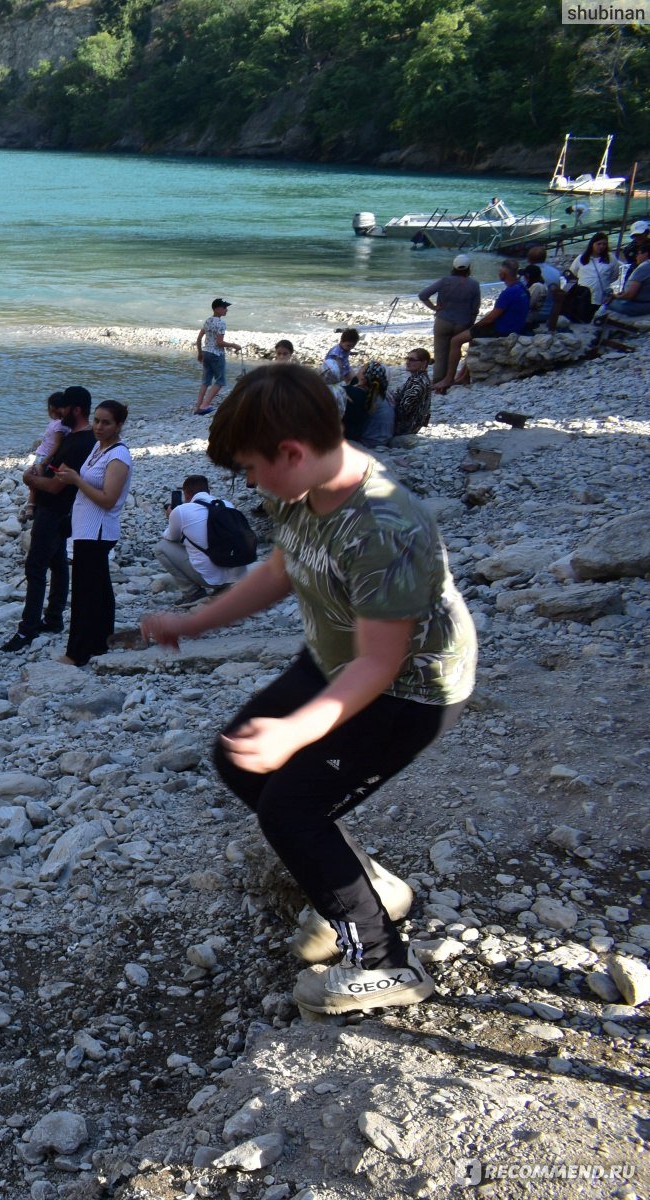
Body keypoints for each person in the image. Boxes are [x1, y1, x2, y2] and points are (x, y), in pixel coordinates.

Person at [140, 364, 476, 1016]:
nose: (249, 483)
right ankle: (365, 885)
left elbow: (380, 663)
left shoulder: (385, 527)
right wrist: (196, 621)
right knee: (238, 759)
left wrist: (297, 732)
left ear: (291, 453)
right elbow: (281, 567)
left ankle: (382, 961)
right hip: (333, 657)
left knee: (292, 809)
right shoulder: (296, 491)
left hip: (412, 688)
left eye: (252, 468)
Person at [6, 388, 96, 650]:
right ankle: (54, 618)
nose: (59, 414)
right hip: (65, 512)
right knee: (57, 564)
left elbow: (56, 486)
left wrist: (29, 479)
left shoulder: (79, 443)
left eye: (64, 409)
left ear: (76, 409)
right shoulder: (82, 438)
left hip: (54, 511)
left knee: (36, 568)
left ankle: (27, 629)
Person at [53, 398, 132, 667]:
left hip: (97, 530)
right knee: (98, 588)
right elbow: (90, 482)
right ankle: (100, 641)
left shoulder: (118, 456)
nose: (98, 426)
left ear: (119, 425)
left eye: (106, 422)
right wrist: (73, 476)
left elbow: (109, 499)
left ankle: (76, 652)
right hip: (86, 528)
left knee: (85, 593)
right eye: (96, 420)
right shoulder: (99, 448)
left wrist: (76, 480)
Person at [436, 259, 529, 393]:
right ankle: (464, 375)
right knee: (472, 340)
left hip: (501, 329)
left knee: (456, 340)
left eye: (499, 272)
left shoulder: (508, 293)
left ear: (503, 274)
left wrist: (475, 326)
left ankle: (448, 378)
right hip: (516, 327)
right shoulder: (522, 287)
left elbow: (492, 317)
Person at [156, 475, 248, 604]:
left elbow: (170, 538)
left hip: (209, 579)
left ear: (186, 495)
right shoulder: (228, 505)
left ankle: (193, 593)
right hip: (236, 576)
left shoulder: (181, 511)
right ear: (209, 491)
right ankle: (225, 589)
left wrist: (171, 516)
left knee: (161, 547)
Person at [416, 255, 481, 384]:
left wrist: (434, 308)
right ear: (469, 268)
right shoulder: (474, 284)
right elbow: (475, 308)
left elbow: (423, 295)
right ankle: (450, 378)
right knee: (455, 351)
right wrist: (470, 323)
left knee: (440, 354)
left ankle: (438, 381)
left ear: (454, 267)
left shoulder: (445, 281)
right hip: (462, 323)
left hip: (443, 321)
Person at [194, 298, 240, 415]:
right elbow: (219, 343)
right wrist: (233, 345)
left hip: (206, 352)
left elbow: (199, 338)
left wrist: (199, 353)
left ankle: (198, 406)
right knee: (220, 380)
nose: (226, 310)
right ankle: (205, 405)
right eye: (224, 308)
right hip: (216, 354)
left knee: (206, 381)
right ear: (217, 309)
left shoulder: (208, 321)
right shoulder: (221, 323)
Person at [567, 233, 617, 323]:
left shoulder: (611, 259)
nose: (601, 246)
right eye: (599, 244)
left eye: (604, 244)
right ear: (592, 244)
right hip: (583, 296)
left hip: (601, 296)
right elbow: (572, 273)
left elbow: (614, 275)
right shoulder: (581, 258)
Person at [600, 242, 650, 319]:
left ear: (646, 254)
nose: (636, 256)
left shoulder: (643, 267)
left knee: (606, 297)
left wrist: (615, 296)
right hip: (646, 304)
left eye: (638, 254)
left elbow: (630, 295)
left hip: (639, 305)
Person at [392, 349, 433, 438]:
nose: (408, 362)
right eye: (407, 359)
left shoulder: (417, 382)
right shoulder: (418, 378)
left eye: (412, 360)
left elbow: (405, 409)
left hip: (405, 427)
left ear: (424, 363)